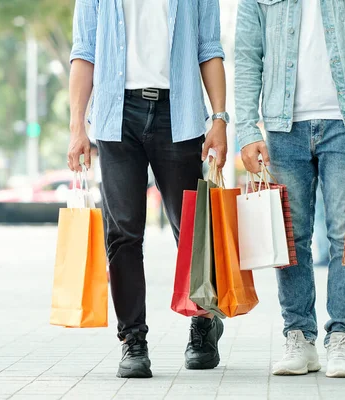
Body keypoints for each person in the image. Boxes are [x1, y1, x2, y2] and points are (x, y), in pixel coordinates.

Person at [235, 0, 345, 378]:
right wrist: (246, 129)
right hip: (283, 127)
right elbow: (247, 54)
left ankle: (342, 338)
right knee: (291, 236)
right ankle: (299, 336)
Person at [67, 0, 229, 379]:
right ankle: (133, 340)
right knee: (123, 232)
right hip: (115, 114)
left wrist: (219, 118)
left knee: (190, 229)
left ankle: (203, 323)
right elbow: (84, 51)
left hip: (179, 111)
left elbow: (209, 47)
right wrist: (77, 126)